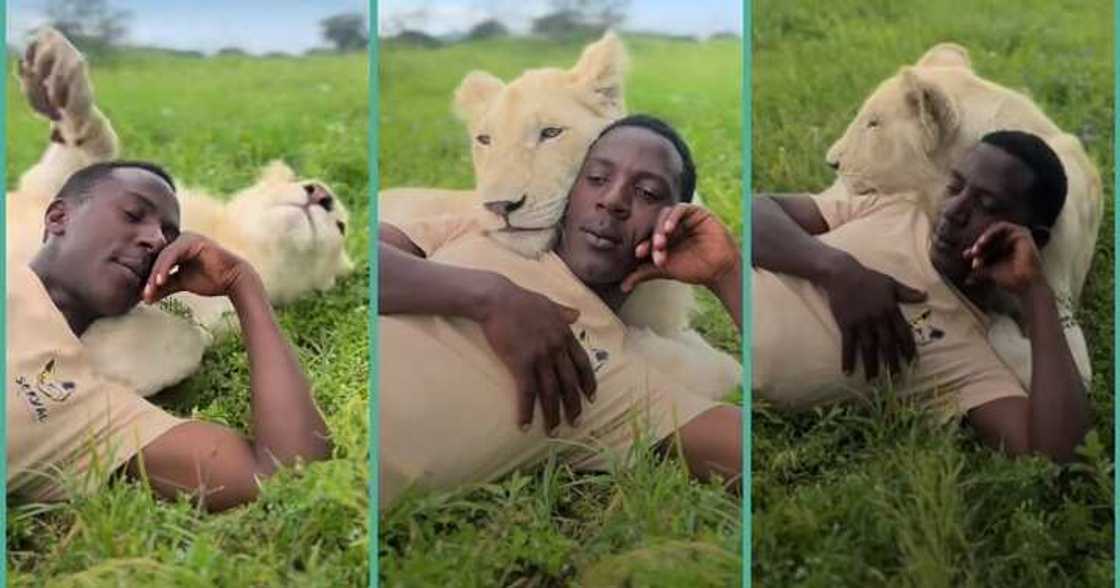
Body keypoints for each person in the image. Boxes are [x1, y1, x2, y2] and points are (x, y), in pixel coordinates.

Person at [379, 115, 743, 505]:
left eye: (647, 193)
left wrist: (726, 273)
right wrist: (490, 297)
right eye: (597, 178)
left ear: (672, 224)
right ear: (570, 190)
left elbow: (746, 454)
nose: (613, 200)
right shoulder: (477, 231)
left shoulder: (620, 387)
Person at [8, 161, 331, 512]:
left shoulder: (93, 412)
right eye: (133, 214)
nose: (155, 240)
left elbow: (289, 471)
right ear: (58, 218)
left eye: (169, 238)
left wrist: (241, 283)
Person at [752, 130, 1089, 462]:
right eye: (955, 186)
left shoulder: (969, 359)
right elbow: (756, 213)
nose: (954, 210)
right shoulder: (896, 211)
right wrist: (838, 271)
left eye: (985, 206)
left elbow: (1053, 455)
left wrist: (1035, 291)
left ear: (1031, 239)